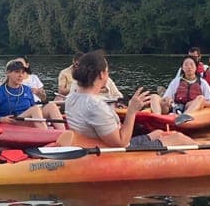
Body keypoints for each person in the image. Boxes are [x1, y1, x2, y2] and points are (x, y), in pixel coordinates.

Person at [63, 50, 194, 148]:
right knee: (178, 138)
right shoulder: (95, 106)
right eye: (108, 70)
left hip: (97, 145)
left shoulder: (71, 97)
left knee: (158, 133)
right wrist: (131, 111)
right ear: (102, 74)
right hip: (113, 154)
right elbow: (121, 143)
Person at [0, 59, 65, 129]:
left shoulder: (27, 90)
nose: (20, 75)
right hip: (13, 122)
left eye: (22, 73)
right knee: (35, 109)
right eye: (17, 72)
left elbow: (34, 108)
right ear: (8, 73)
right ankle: (46, 134)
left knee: (51, 106)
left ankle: (63, 133)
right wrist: (0, 119)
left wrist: (41, 96)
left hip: (28, 120)